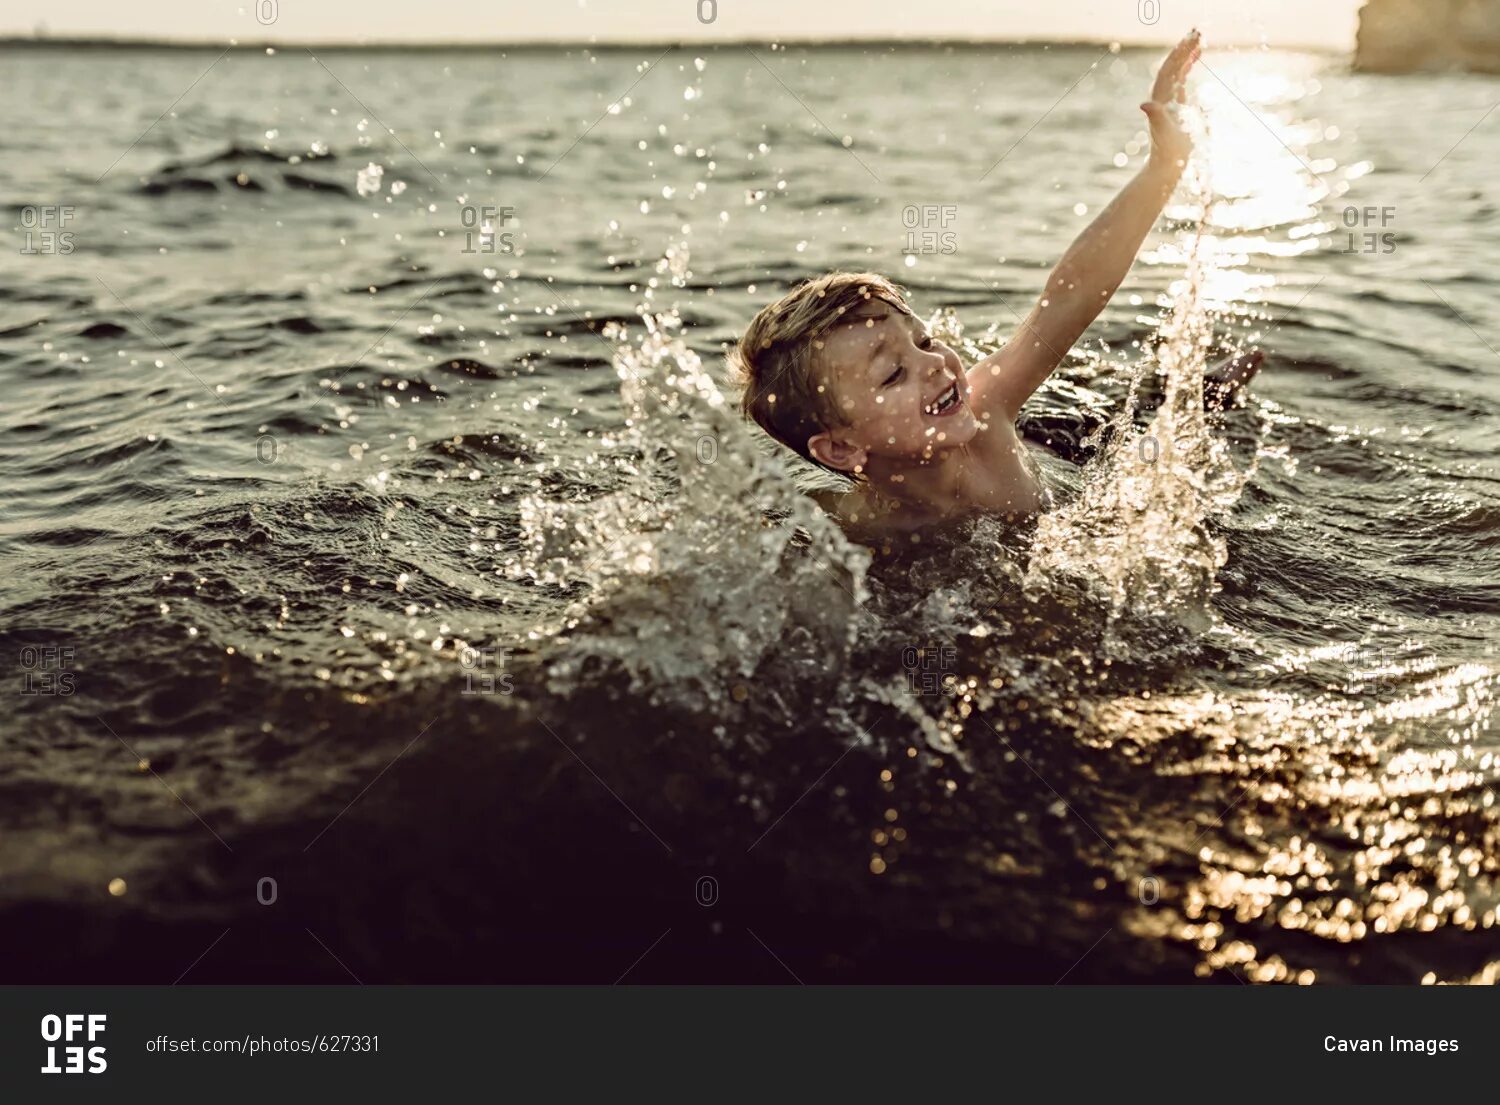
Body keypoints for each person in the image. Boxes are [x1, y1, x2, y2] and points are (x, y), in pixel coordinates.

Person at [730, 30, 1259, 545]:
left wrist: (1164, 168)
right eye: (893, 373)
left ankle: (1203, 396)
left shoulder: (985, 413)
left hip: (1059, 441)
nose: (933, 363)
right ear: (840, 450)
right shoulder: (856, 531)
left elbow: (1070, 297)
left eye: (924, 340)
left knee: (1139, 428)